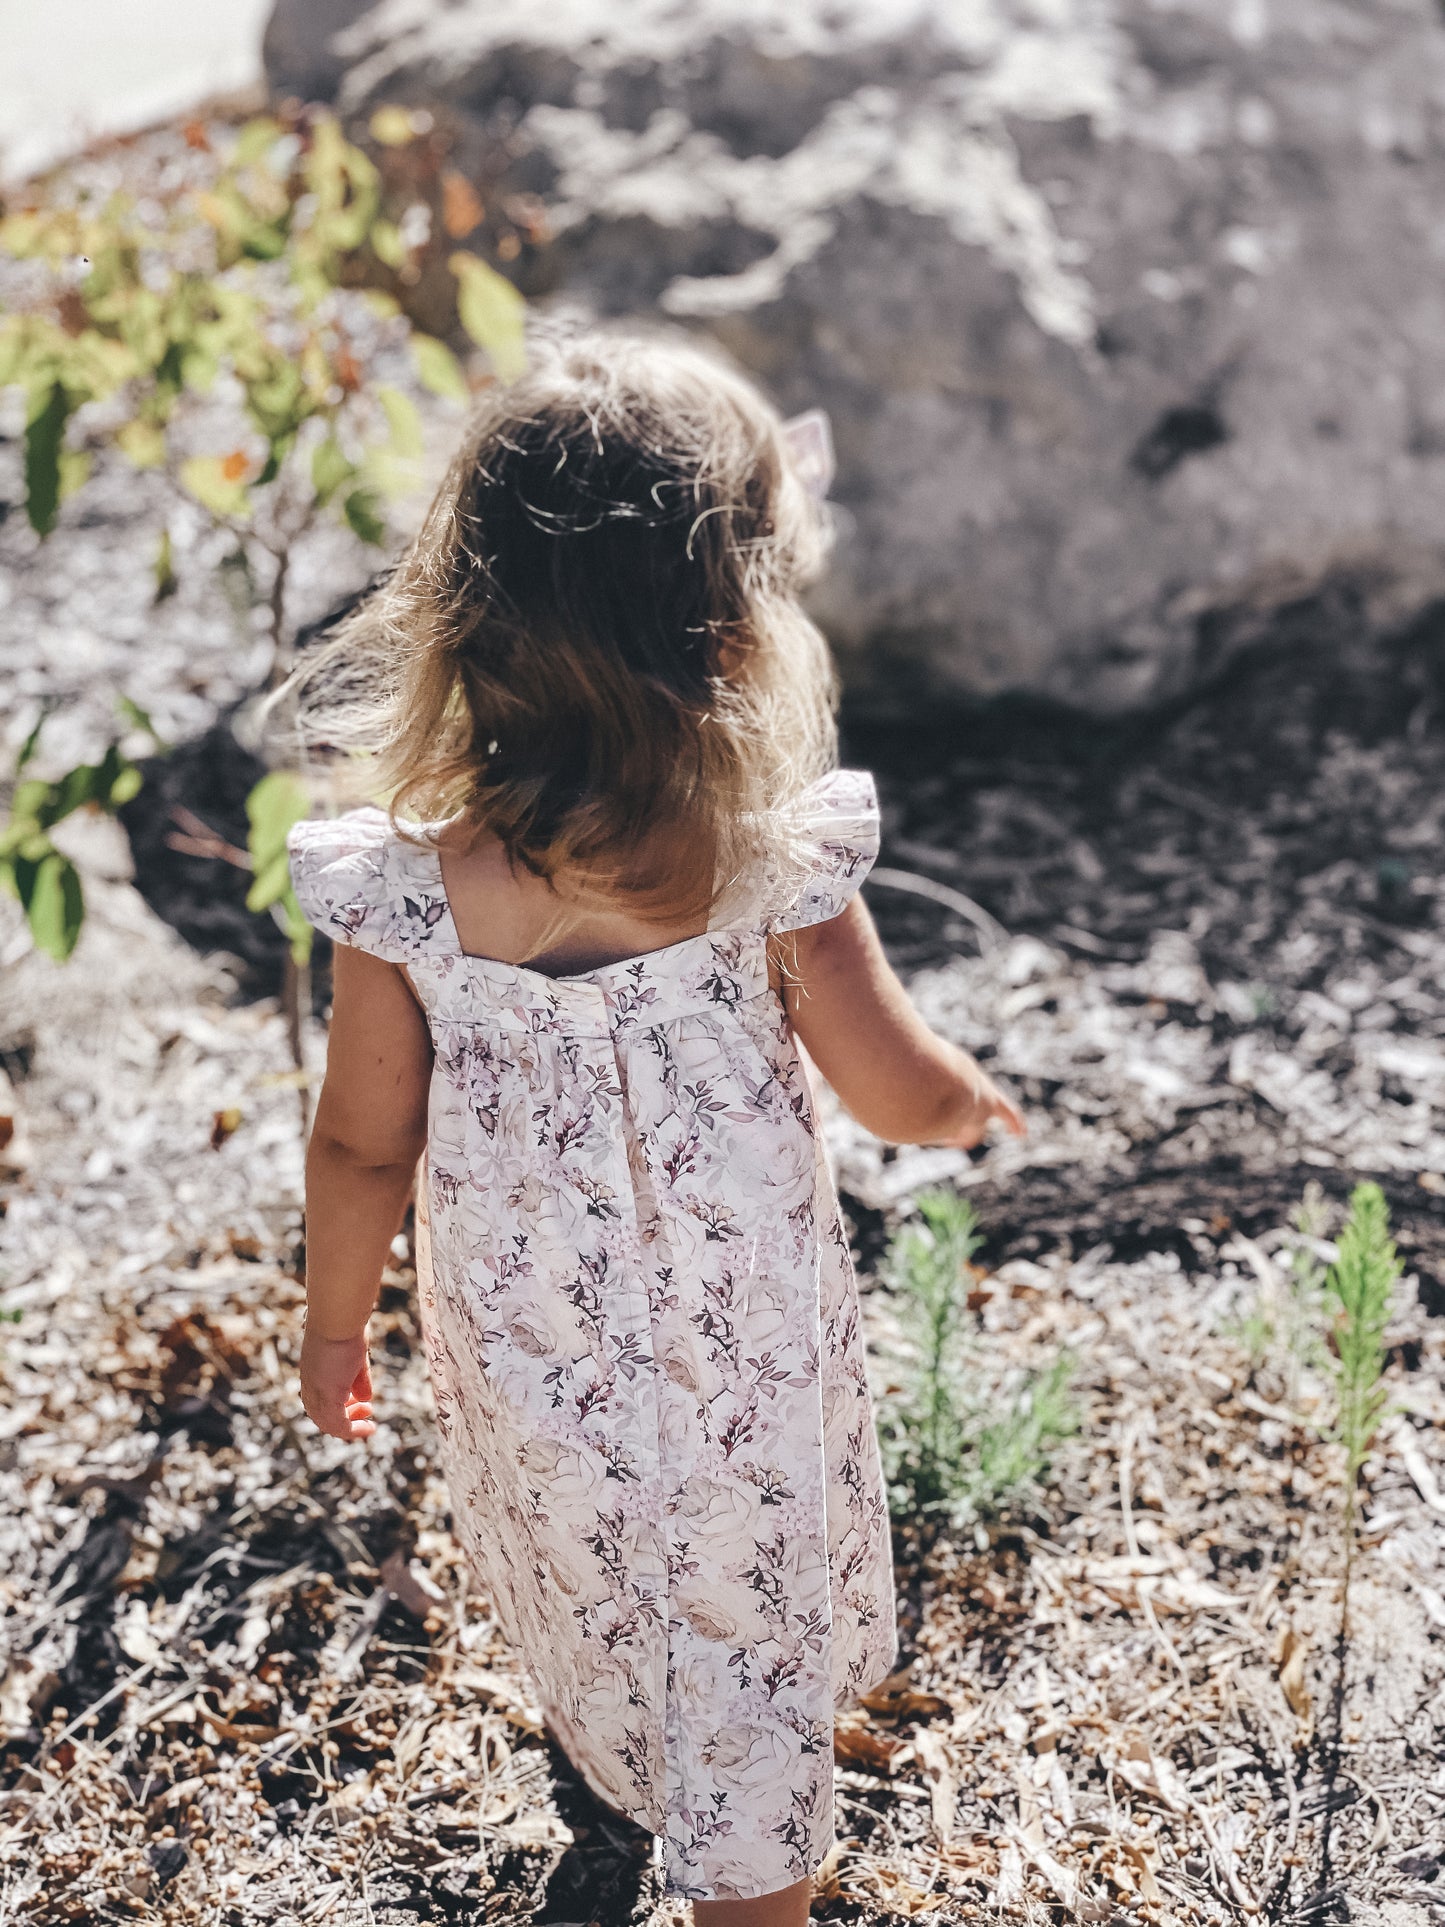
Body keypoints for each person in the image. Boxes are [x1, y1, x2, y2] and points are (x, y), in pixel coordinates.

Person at [287, 330, 1023, 1926]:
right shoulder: (767, 872)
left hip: (533, 1354)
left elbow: (359, 1146)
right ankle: (750, 1885)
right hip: (740, 1362)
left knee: (594, 1559)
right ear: (734, 629)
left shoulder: (406, 896)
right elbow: (894, 1087)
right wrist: (969, 1112)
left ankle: (635, 1756)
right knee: (742, 1614)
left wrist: (334, 1327)